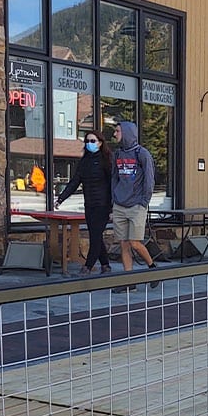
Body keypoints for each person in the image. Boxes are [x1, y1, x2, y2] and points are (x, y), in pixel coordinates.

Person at [54, 131, 113, 275]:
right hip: (90, 204)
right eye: (87, 141)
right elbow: (75, 182)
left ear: (100, 143)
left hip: (103, 204)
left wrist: (113, 206)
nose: (89, 144)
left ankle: (87, 267)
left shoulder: (107, 160)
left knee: (95, 236)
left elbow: (113, 184)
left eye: (93, 141)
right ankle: (105, 265)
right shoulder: (84, 162)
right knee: (96, 235)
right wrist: (61, 198)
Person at [110, 121, 158, 292]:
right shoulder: (117, 154)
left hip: (136, 205)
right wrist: (114, 199)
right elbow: (114, 178)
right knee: (123, 244)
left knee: (134, 242)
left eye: (117, 131)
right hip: (120, 205)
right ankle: (129, 282)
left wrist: (144, 202)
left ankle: (153, 268)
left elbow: (149, 180)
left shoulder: (142, 154)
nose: (114, 134)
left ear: (127, 132)